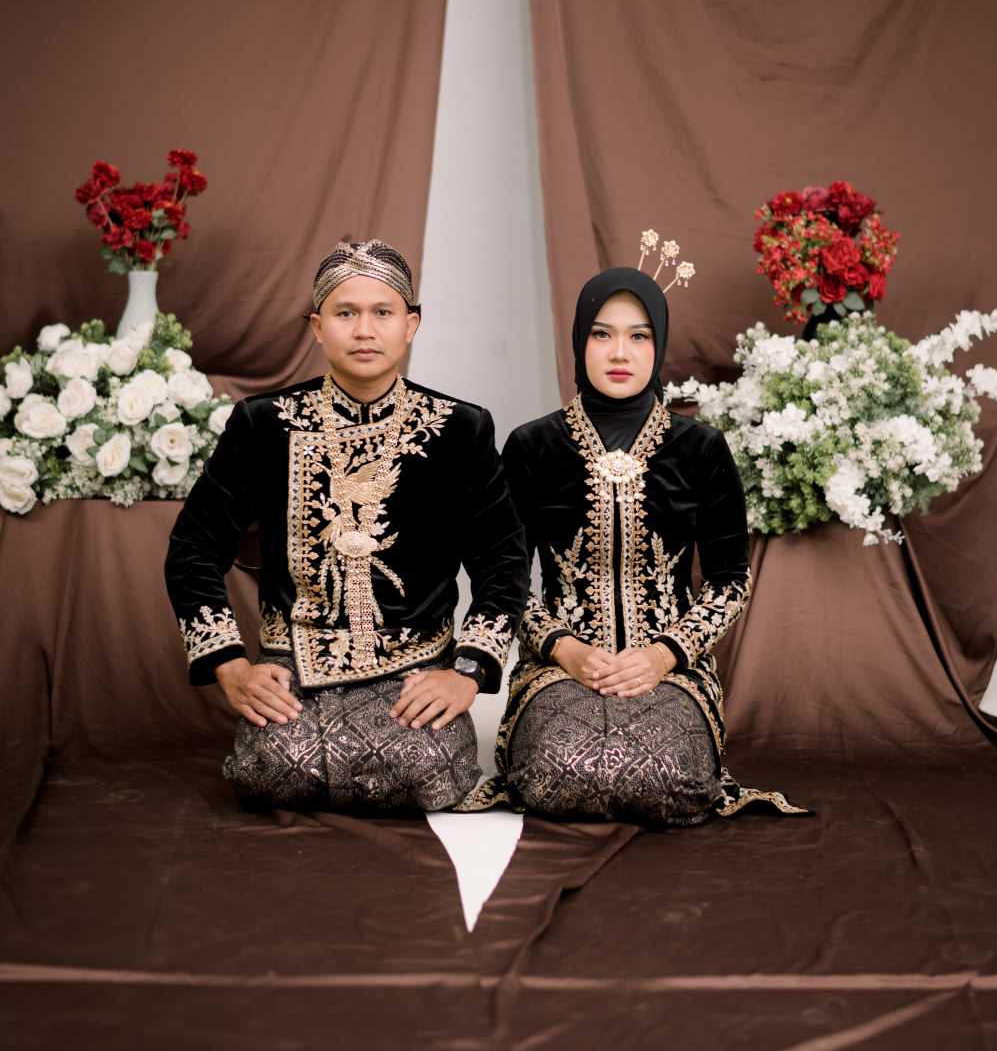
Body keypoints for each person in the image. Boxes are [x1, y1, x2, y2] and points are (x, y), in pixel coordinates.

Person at [165, 239, 529, 813]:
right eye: (345, 313)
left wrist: (467, 671)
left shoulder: (460, 428)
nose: (364, 330)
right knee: (273, 768)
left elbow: (502, 560)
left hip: (414, 667)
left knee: (425, 768)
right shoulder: (264, 424)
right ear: (317, 327)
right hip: (294, 663)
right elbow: (194, 546)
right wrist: (231, 667)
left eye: (382, 312)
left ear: (411, 325)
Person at [461, 243, 805, 823]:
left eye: (639, 336)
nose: (620, 352)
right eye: (602, 334)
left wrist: (663, 655)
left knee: (668, 776)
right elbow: (504, 576)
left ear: (658, 345)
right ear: (579, 341)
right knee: (557, 772)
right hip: (558, 668)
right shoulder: (533, 446)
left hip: (672, 671)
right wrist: (565, 649)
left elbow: (729, 581)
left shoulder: (701, 448)